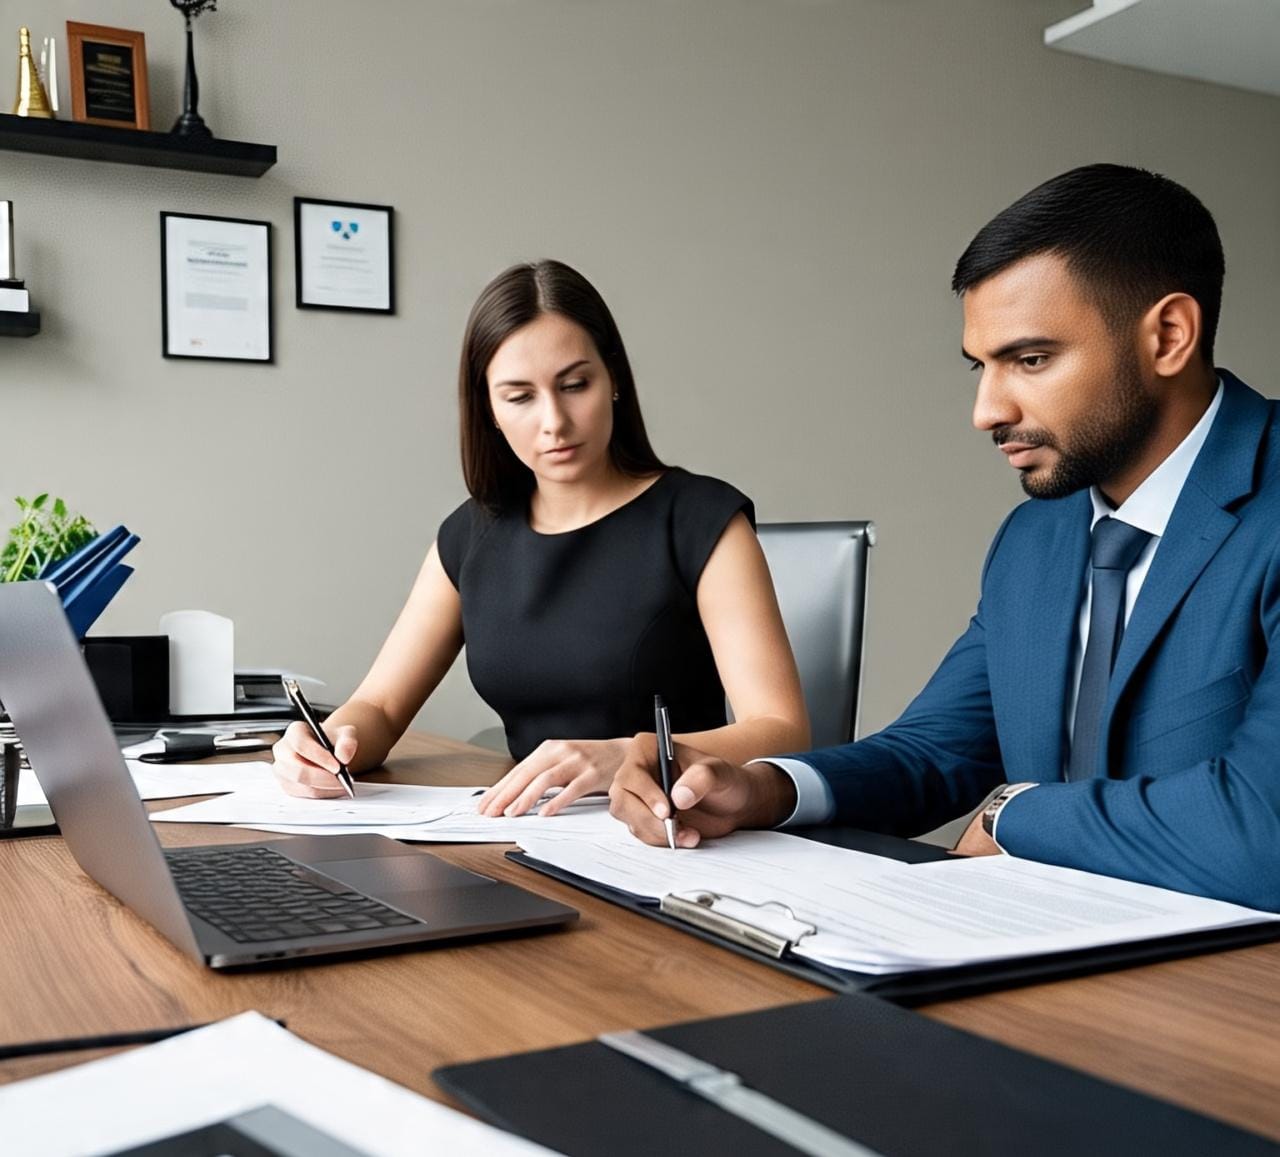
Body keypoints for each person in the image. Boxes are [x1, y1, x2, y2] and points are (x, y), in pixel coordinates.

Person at [610, 163, 1280, 912]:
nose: (986, 409)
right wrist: (760, 787)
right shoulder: (1035, 537)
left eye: (1030, 359)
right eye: (980, 366)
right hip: (1037, 956)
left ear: (1169, 336)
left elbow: (1266, 832)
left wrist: (1012, 812)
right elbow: (935, 751)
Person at [273, 260, 809, 812]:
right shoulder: (470, 535)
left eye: (575, 384)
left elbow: (782, 728)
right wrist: (326, 744)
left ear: (615, 380)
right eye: (520, 397)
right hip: (527, 833)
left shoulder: (700, 520)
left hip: (676, 830)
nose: (554, 420)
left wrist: (630, 754)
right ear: (489, 410)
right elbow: (381, 708)